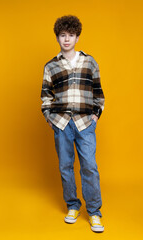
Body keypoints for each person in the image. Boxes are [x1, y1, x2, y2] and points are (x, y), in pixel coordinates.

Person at [40, 15, 105, 233]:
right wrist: (50, 119)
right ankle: (72, 205)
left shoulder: (90, 62)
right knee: (65, 167)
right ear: (58, 37)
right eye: (62, 35)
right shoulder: (51, 66)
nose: (66, 39)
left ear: (77, 37)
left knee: (89, 166)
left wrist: (95, 115)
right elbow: (45, 96)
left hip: (85, 122)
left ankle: (95, 212)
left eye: (71, 35)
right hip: (61, 123)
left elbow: (99, 93)